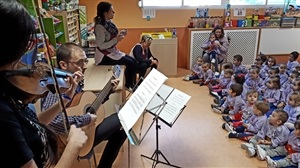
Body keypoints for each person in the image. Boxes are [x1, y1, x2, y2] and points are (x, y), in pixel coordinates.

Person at [0, 1, 88, 167]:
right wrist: (73, 146)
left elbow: (33, 123)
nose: (25, 66)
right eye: (26, 45)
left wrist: (66, 97)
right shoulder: (3, 112)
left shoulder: (9, 91)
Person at [41, 42, 127, 168]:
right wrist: (86, 119)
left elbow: (86, 105)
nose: (85, 66)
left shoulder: (75, 80)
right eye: (79, 62)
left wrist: (108, 92)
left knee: (121, 132)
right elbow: (52, 122)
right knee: (122, 117)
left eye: (85, 61)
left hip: (82, 129)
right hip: (68, 139)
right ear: (63, 65)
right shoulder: (57, 87)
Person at [94, 1, 137, 89]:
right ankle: (129, 86)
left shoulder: (110, 23)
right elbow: (101, 46)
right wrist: (116, 39)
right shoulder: (99, 27)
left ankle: (132, 84)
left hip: (111, 51)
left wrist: (120, 36)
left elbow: (113, 41)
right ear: (105, 13)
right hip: (103, 56)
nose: (114, 13)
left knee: (133, 61)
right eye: (111, 11)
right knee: (130, 63)